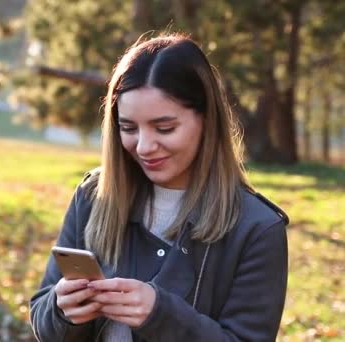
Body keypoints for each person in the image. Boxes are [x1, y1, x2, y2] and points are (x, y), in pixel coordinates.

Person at [29, 33, 289, 342]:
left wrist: (161, 315)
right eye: (128, 128)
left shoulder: (257, 228)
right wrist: (61, 310)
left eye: (164, 128)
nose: (144, 146)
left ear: (207, 120)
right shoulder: (93, 196)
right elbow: (42, 317)